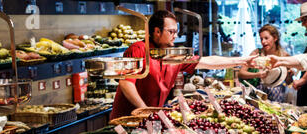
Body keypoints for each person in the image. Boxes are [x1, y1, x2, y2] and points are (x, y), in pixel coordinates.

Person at [110, 10, 257, 120]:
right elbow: (126, 83)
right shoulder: (138, 49)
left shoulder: (173, 55)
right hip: (126, 120)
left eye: (176, 31)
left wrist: (242, 61)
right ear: (156, 31)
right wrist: (145, 110)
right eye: (171, 31)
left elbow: (208, 62)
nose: (176, 35)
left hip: (151, 120)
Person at [238, 24, 292, 103]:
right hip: (259, 91)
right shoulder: (257, 53)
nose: (263, 41)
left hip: (277, 93)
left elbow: (289, 82)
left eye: (266, 38)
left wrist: (290, 74)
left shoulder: (284, 55)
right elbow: (241, 73)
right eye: (261, 39)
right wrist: (257, 75)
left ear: (275, 38)